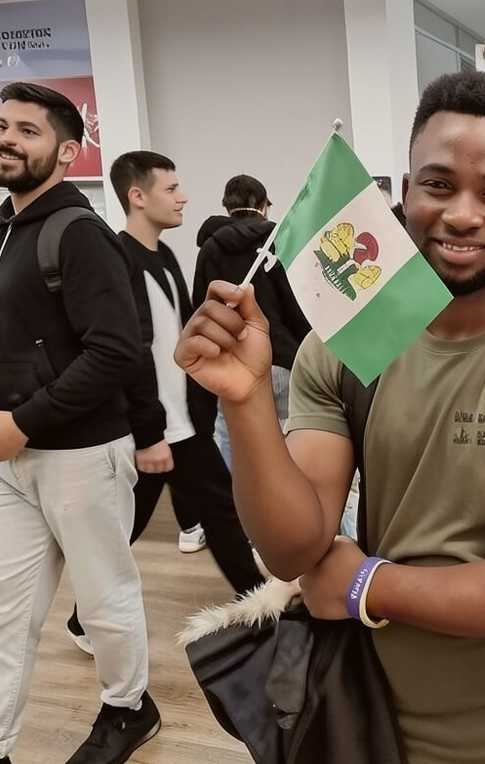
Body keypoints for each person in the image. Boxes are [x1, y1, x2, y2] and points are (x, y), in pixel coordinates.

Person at [174, 71, 485, 764]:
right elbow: (293, 549)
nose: (463, 214)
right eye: (439, 185)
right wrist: (246, 401)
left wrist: (361, 583)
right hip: (353, 721)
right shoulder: (348, 344)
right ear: (406, 192)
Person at [0, 82, 160, 764]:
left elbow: (118, 348)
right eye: (2, 125)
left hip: (83, 453)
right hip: (13, 458)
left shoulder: (79, 232)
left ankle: (129, 709)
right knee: (8, 615)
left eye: (27, 131)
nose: (8, 137)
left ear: (67, 152)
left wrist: (25, 421)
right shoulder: (6, 230)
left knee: (103, 602)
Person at [105, 152, 264, 598]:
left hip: (182, 425)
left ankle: (259, 607)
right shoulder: (119, 259)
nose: (184, 198)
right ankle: (83, 619)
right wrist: (148, 432)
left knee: (220, 509)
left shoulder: (166, 257)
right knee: (126, 529)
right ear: (137, 196)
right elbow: (129, 353)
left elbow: (177, 339)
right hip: (156, 429)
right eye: (171, 189)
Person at [193, 174, 310, 465]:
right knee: (291, 446)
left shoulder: (211, 248)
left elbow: (201, 306)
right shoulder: (281, 241)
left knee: (237, 444)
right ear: (263, 205)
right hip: (283, 359)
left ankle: (243, 508)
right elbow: (298, 305)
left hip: (234, 362)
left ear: (226, 207)